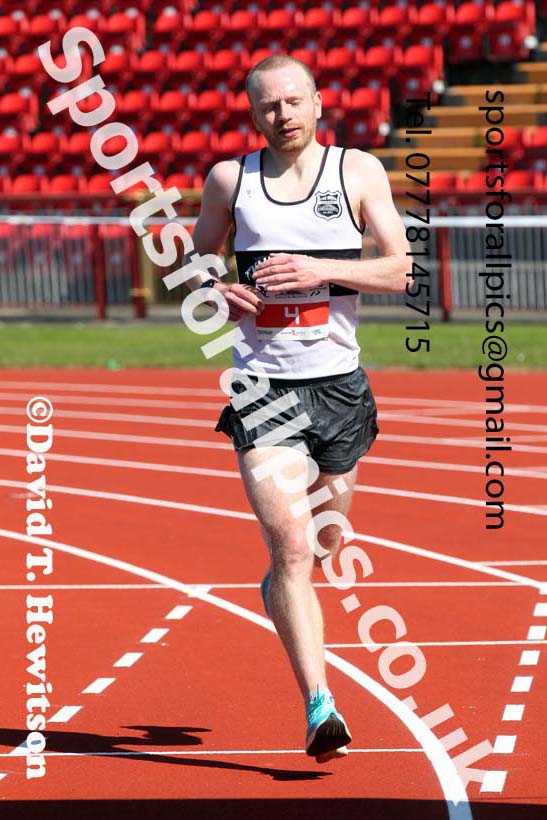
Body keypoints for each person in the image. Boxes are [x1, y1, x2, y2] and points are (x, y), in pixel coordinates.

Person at [188, 54, 410, 763]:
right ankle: (320, 704)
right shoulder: (230, 179)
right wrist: (215, 286)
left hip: (338, 387)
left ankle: (283, 590)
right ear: (252, 114)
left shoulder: (357, 171)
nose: (281, 115)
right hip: (262, 388)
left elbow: (401, 267)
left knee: (324, 542)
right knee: (288, 545)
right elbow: (196, 264)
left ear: (317, 103)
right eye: (266, 106)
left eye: (292, 101)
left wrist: (322, 270)